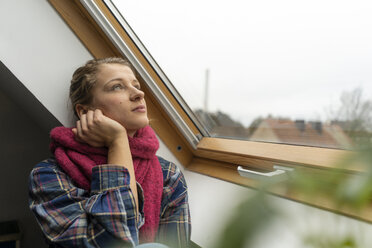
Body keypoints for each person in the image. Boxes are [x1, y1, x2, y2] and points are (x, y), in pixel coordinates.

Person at [28, 57, 191, 248]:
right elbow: (110, 243)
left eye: (136, 85)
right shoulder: (49, 175)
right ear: (84, 111)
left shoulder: (168, 174)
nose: (139, 93)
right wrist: (117, 141)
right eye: (117, 87)